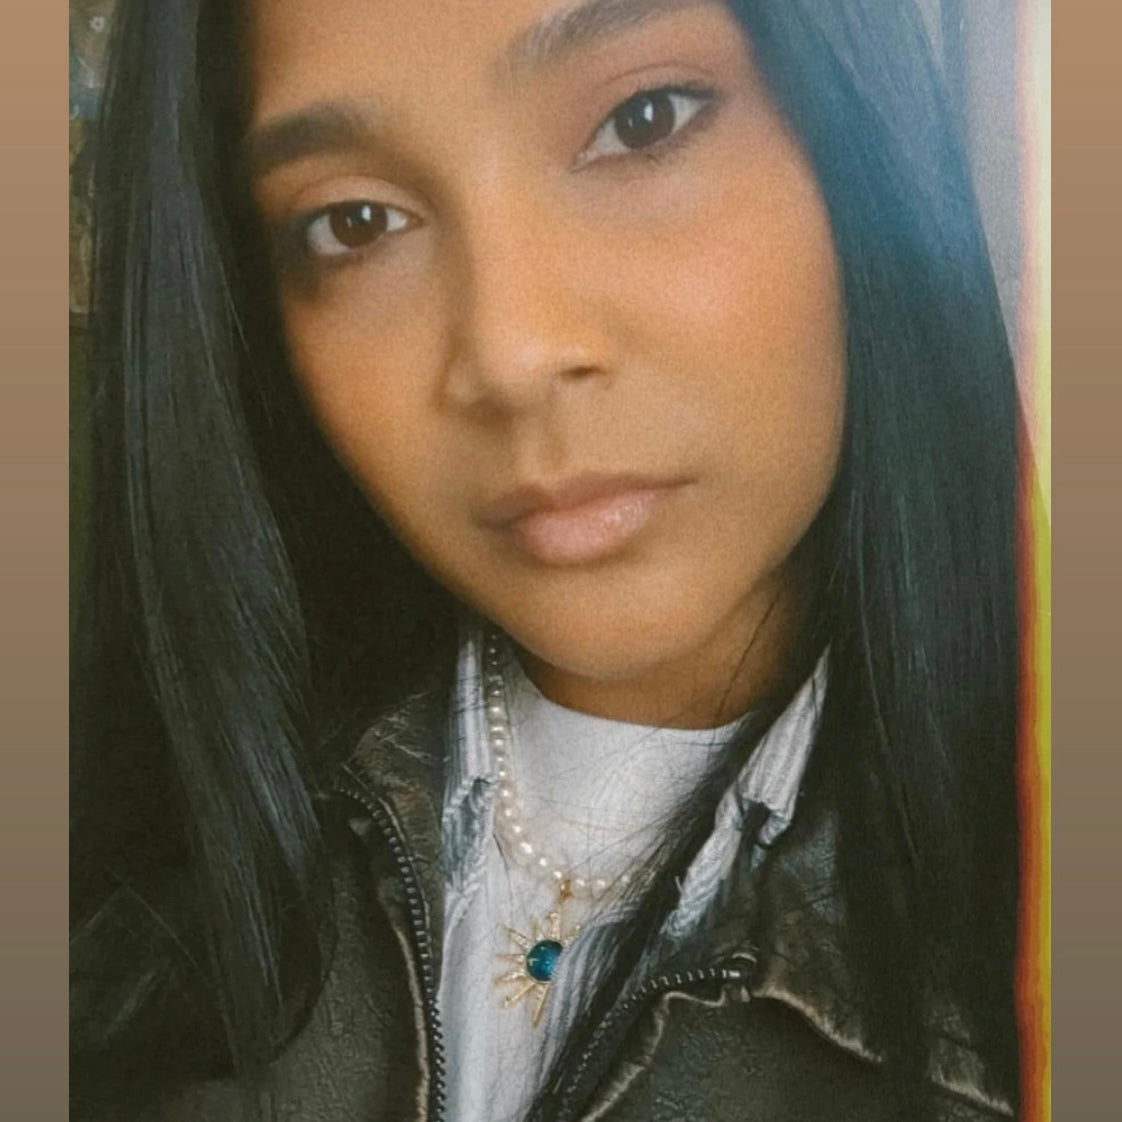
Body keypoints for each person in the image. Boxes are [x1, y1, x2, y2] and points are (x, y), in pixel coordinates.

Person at [70, 0, 1024, 1119]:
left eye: (644, 119)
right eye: (356, 222)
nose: (511, 353)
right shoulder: (141, 899)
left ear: (861, 127)